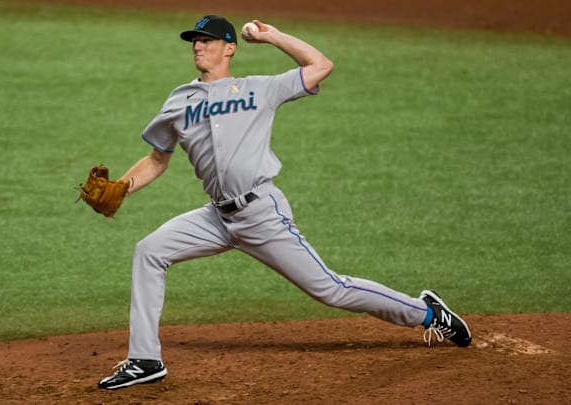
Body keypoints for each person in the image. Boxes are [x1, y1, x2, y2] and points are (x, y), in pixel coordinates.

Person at [97, 15, 471, 390]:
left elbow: (321, 66)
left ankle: (425, 312)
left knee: (330, 289)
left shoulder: (259, 89)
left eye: (208, 40)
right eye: (195, 40)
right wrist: (122, 187)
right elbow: (157, 159)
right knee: (149, 251)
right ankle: (145, 359)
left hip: (260, 213)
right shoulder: (180, 99)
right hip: (215, 217)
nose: (198, 45)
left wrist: (272, 36)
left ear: (230, 48)